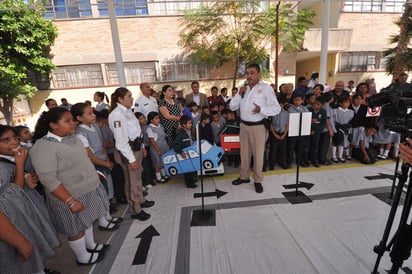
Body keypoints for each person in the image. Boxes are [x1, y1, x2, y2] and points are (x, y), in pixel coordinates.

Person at [30, 107, 110, 265]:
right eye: (68, 121)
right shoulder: (43, 147)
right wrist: (70, 201)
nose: (73, 123)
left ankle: (91, 246)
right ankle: (83, 257)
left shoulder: (74, 138)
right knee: (76, 229)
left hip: (87, 190)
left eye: (72, 119)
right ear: (53, 125)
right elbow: (49, 179)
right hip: (68, 196)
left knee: (86, 221)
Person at [229, 63, 281, 193]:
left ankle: (258, 180)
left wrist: (261, 109)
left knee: (258, 155)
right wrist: (239, 94)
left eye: (252, 73)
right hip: (244, 126)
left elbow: (276, 108)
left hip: (258, 127)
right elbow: (232, 107)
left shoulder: (266, 88)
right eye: (247, 73)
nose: (249, 76)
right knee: (244, 154)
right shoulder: (243, 89)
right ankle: (244, 176)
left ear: (258, 74)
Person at [71, 103, 122, 229]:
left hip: (103, 162)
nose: (93, 116)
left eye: (93, 113)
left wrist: (107, 159)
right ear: (79, 118)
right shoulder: (80, 134)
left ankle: (108, 216)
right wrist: (105, 163)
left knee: (106, 191)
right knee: (99, 193)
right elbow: (90, 156)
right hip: (95, 166)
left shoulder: (95, 127)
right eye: (89, 114)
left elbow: (102, 145)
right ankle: (102, 221)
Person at [108, 87, 155, 221]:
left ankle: (140, 200)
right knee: (131, 182)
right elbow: (121, 140)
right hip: (127, 152)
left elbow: (135, 132)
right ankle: (135, 209)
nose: (132, 98)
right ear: (120, 99)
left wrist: (141, 146)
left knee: (137, 178)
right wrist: (131, 159)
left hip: (136, 147)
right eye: (129, 96)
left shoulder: (128, 111)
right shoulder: (117, 115)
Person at [173, 115, 197, 188]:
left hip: (190, 153)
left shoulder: (189, 131)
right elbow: (176, 145)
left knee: (192, 168)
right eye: (189, 123)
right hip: (185, 154)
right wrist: (181, 152)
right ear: (184, 125)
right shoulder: (181, 134)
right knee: (187, 170)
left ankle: (192, 180)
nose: (191, 124)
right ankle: (189, 184)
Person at [146, 111, 170, 183]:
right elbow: (152, 140)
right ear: (151, 120)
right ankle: (158, 178)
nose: (158, 120)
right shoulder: (150, 129)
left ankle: (164, 175)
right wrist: (157, 149)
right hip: (156, 147)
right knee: (157, 163)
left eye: (158, 118)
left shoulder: (160, 126)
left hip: (163, 145)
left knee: (162, 161)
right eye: (156, 118)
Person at [331, 97, 354, 163]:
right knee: (335, 141)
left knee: (343, 142)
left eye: (348, 102)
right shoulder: (334, 111)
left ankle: (340, 156)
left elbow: (350, 121)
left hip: (345, 128)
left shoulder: (351, 112)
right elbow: (333, 120)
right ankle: (333, 156)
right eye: (346, 102)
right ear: (340, 103)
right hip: (337, 128)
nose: (347, 104)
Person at [268, 98, 289, 170]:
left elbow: (287, 124)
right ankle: (272, 164)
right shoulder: (272, 113)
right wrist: (274, 134)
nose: (279, 106)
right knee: (273, 149)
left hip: (283, 133)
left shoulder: (287, 113)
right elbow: (270, 124)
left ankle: (282, 162)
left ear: (283, 105)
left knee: (283, 149)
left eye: (280, 105)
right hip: (274, 133)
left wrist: (284, 134)